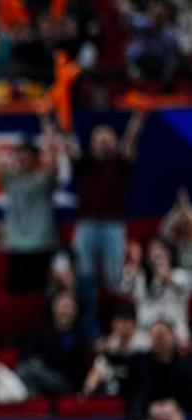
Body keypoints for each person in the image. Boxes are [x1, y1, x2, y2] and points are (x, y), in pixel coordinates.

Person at [67, 111, 147, 339]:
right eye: (98, 137)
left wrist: (138, 118)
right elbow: (67, 142)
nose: (103, 141)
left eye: (107, 137)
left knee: (115, 280)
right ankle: (89, 329)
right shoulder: (84, 163)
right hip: (87, 225)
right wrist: (58, 118)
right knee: (86, 279)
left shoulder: (120, 164)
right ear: (91, 143)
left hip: (113, 226)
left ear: (114, 141)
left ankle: (120, 327)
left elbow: (131, 140)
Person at [0, 111, 59, 294]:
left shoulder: (44, 180)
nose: (21, 160)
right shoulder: (11, 180)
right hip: (16, 245)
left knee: (41, 294)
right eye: (19, 156)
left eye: (26, 156)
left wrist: (47, 125)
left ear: (36, 158)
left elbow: (54, 158)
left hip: (41, 244)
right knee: (17, 294)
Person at [17, 290, 90, 395]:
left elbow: (69, 363)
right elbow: (26, 351)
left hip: (67, 381)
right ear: (53, 309)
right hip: (43, 375)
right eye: (62, 307)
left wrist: (42, 361)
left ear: (76, 310)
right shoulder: (44, 331)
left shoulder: (79, 335)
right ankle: (35, 401)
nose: (65, 312)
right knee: (27, 371)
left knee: (27, 370)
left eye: (69, 307)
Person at [122, 237, 191, 346]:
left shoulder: (181, 275)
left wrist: (165, 273)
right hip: (146, 333)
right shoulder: (140, 277)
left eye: (161, 252)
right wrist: (135, 263)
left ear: (169, 254)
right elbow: (124, 288)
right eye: (153, 251)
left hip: (175, 331)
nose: (157, 255)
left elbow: (179, 284)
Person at [128, 321, 192, 419]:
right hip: (147, 417)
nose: (159, 341)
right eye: (156, 338)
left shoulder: (185, 366)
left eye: (162, 337)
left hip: (179, 417)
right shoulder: (139, 362)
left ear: (172, 336)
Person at [83, 307, 150, 397]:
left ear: (134, 325)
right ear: (113, 326)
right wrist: (86, 392)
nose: (123, 328)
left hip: (138, 384)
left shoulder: (145, 342)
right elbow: (97, 371)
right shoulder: (109, 344)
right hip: (115, 386)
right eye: (119, 323)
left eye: (126, 324)